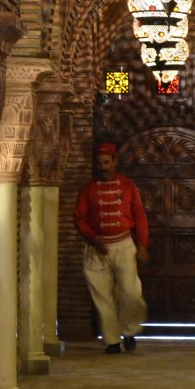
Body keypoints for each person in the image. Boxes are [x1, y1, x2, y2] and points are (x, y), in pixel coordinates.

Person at [73, 142, 149, 354]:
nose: (103, 167)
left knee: (130, 293)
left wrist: (142, 245)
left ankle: (130, 330)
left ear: (115, 162)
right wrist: (94, 238)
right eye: (99, 164)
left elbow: (140, 217)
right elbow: (79, 218)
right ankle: (112, 340)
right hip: (96, 249)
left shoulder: (128, 186)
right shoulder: (88, 189)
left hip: (124, 245)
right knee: (102, 296)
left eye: (107, 163)